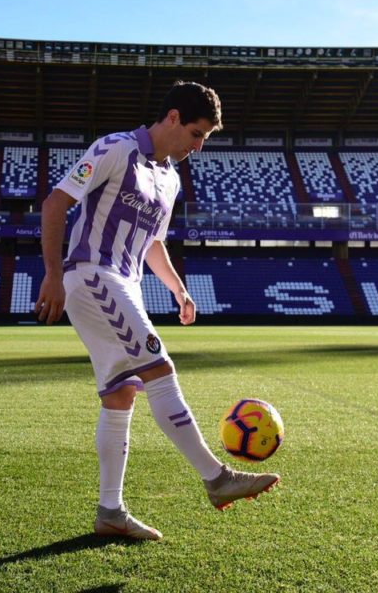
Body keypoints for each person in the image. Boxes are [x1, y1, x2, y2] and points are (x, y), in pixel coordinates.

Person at [34, 81, 279, 541]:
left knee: (120, 395)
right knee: (158, 368)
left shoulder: (171, 179)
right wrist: (52, 273)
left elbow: (154, 245)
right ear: (172, 118)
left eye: (205, 137)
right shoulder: (115, 148)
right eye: (196, 133)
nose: (198, 146)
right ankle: (217, 478)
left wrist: (179, 291)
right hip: (93, 274)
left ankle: (110, 511)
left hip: (126, 283)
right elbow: (55, 202)